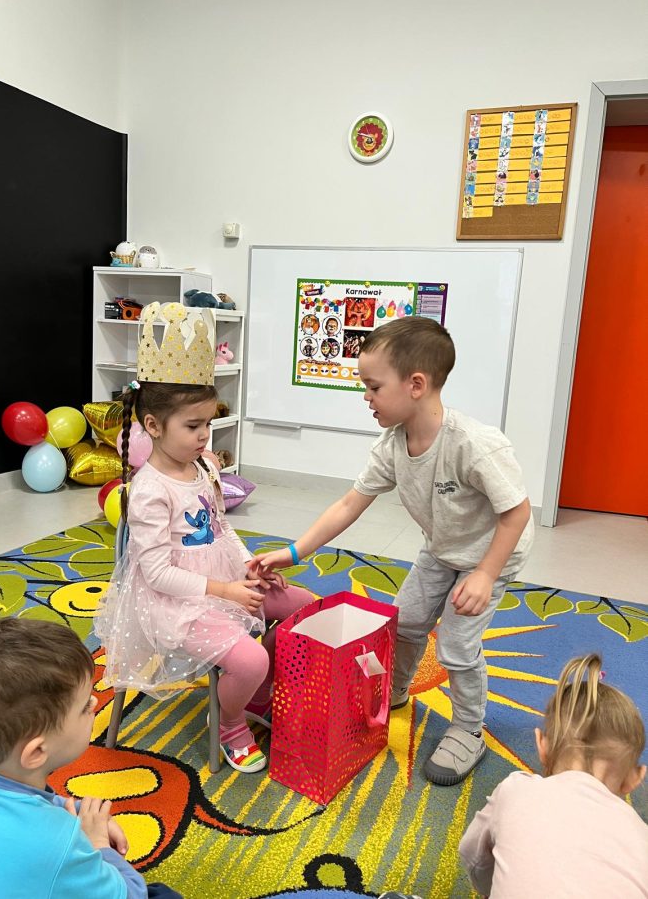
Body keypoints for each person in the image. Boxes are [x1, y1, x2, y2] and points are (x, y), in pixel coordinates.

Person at [252, 317, 533, 785]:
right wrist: (294, 552)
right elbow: (349, 504)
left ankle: (469, 728)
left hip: (491, 553)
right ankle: (393, 691)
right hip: (441, 549)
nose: (366, 397)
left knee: (457, 646)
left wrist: (485, 574)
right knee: (404, 624)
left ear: (415, 385)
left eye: (373, 386)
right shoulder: (392, 445)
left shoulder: (473, 445)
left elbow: (516, 513)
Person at [96, 302, 314, 774]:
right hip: (172, 602)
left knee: (304, 608)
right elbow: (157, 574)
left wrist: (250, 566)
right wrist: (226, 591)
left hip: (221, 580)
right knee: (250, 659)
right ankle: (231, 722)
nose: (204, 436)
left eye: (208, 424)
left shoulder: (204, 467)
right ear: (153, 426)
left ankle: (251, 692)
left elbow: (221, 527)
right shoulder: (149, 491)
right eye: (193, 426)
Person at [0, 616, 181, 898]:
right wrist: (97, 844)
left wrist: (75, 810)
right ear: (37, 752)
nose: (95, 703)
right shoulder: (58, 843)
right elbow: (132, 894)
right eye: (84, 707)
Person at [459, 654, 648, 897]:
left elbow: (472, 854)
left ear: (542, 745)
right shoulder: (642, 838)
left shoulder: (516, 789)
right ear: (635, 778)